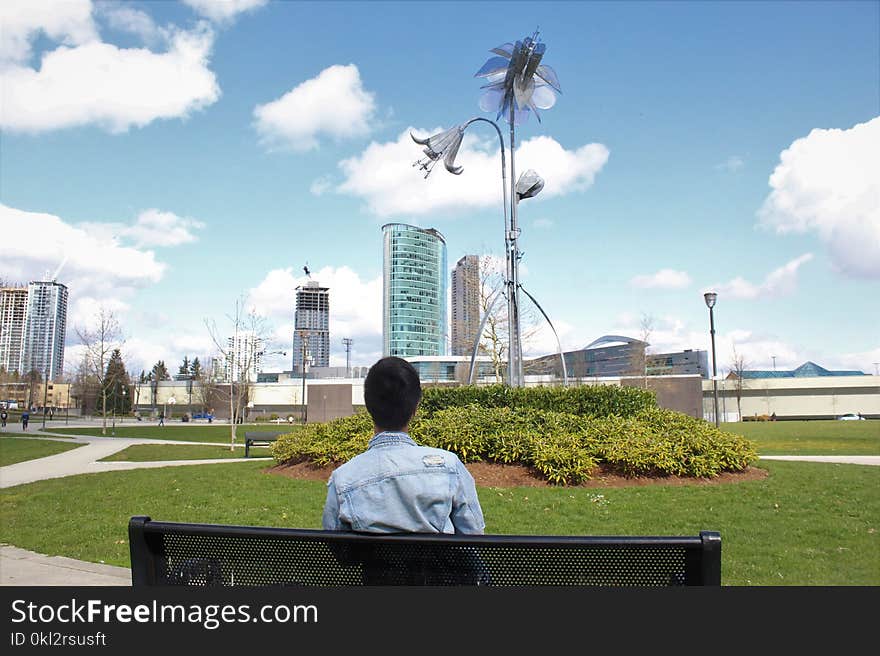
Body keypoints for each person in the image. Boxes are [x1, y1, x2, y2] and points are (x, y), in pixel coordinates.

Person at [322, 356, 485, 535]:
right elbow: (473, 534)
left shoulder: (343, 480)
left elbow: (340, 550)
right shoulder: (450, 467)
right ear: (415, 408)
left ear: (368, 407)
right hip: (438, 563)